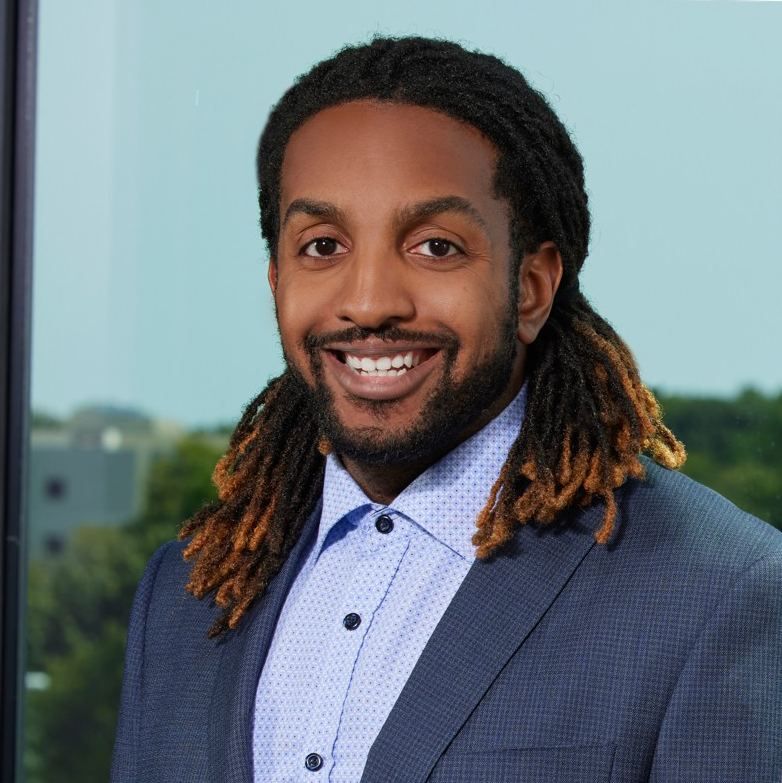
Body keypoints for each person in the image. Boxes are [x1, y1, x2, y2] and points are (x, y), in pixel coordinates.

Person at [111, 36, 782, 783]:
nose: (369, 302)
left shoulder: (720, 591)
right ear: (276, 279)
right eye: (323, 245)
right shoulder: (181, 593)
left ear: (530, 287)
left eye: (435, 247)